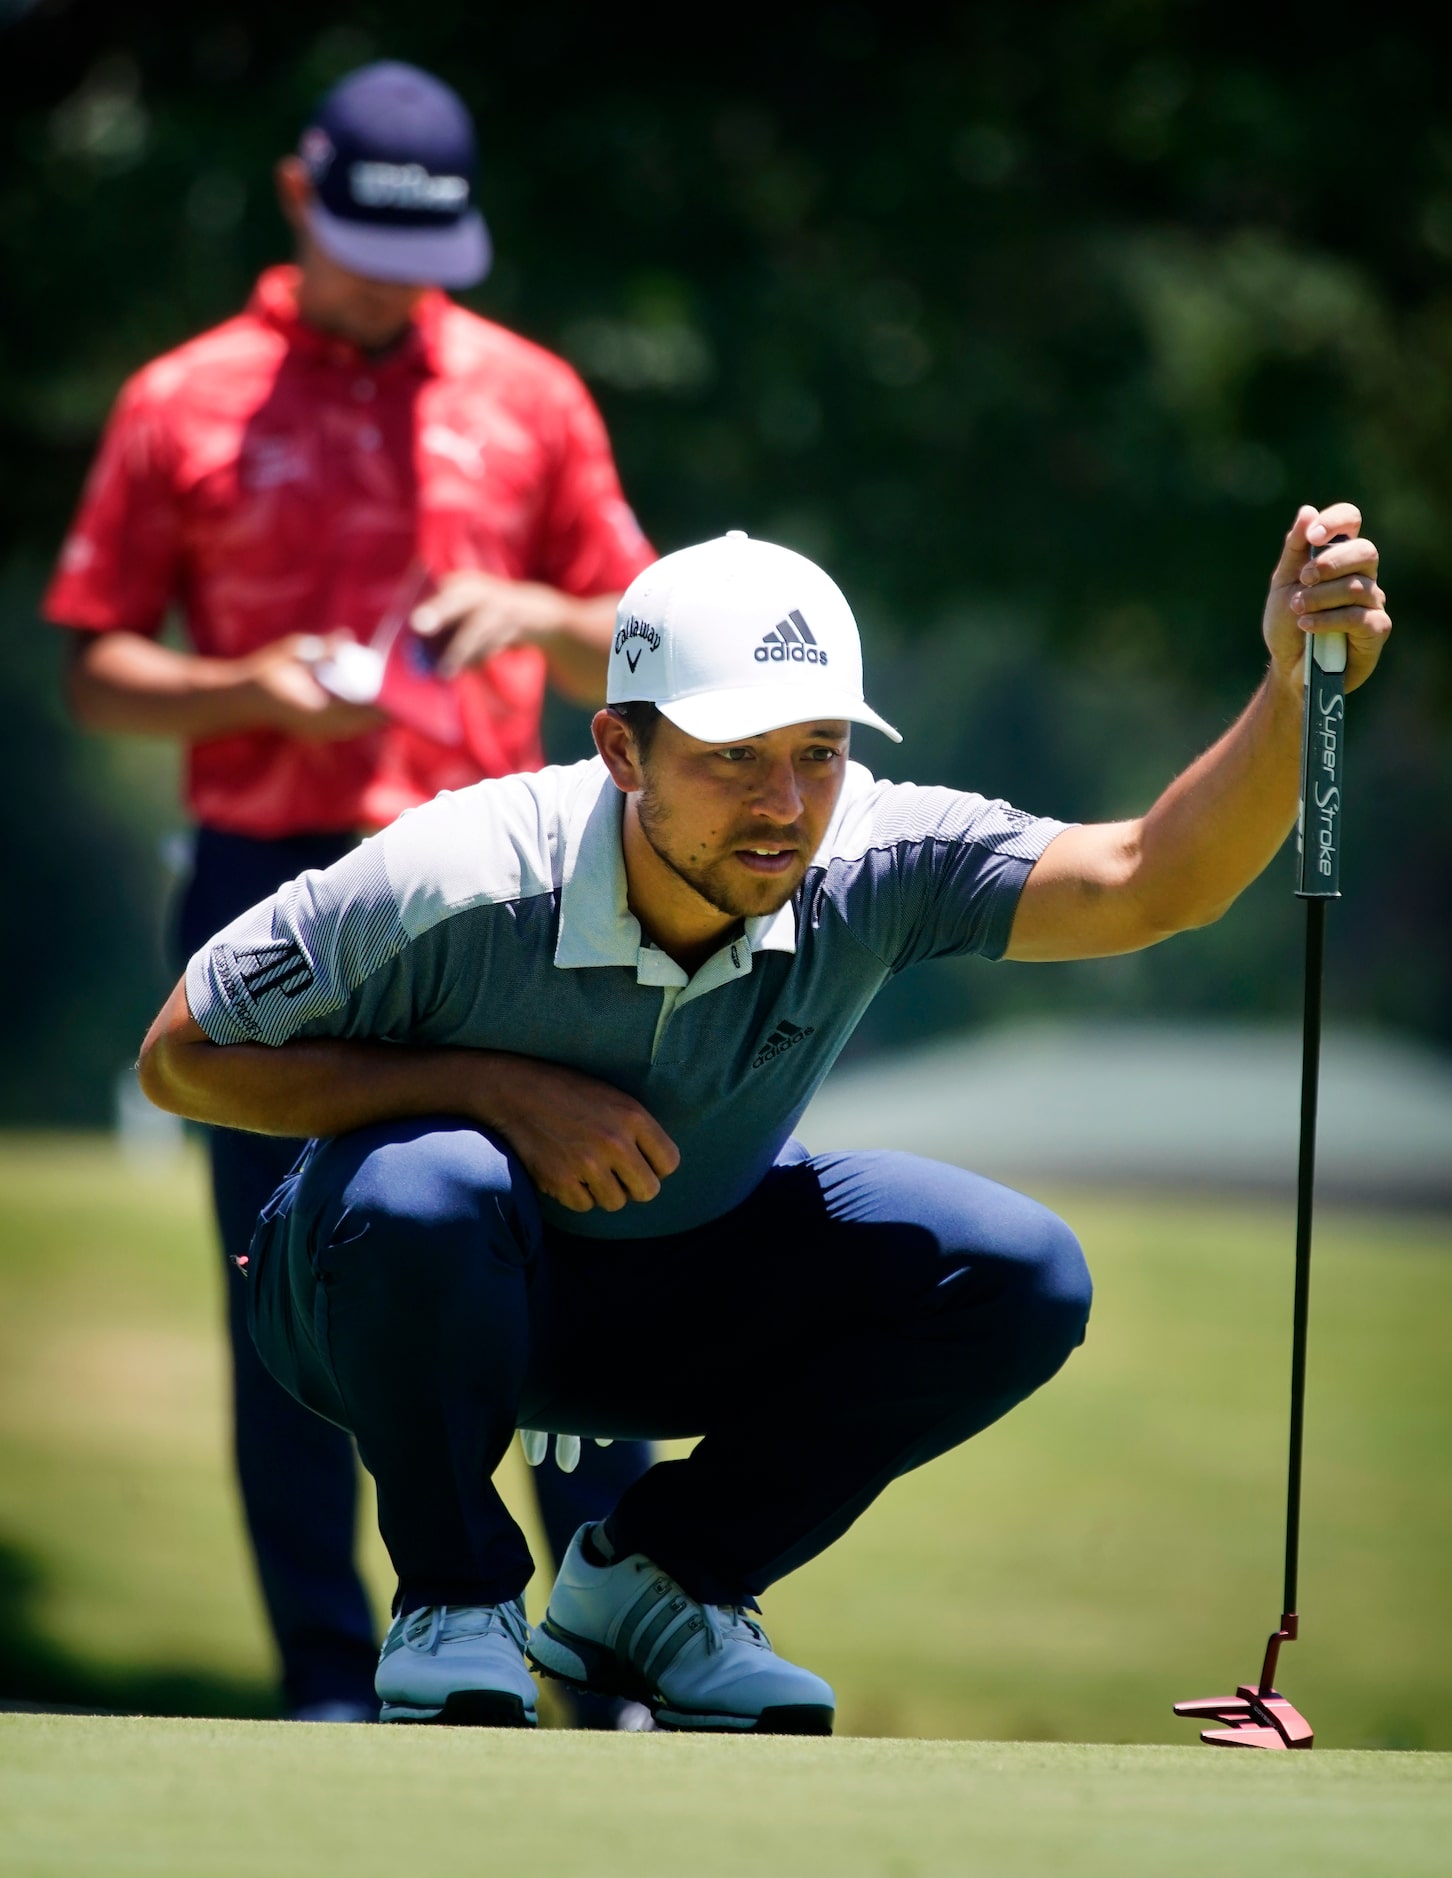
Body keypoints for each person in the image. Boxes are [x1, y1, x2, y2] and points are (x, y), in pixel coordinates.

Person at [136, 511, 1390, 1732]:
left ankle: (662, 1581)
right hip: (373, 1295)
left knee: (1017, 1272)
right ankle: (454, 1602)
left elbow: (1147, 883)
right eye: (733, 755)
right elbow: (184, 1055)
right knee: (433, 1185)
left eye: (819, 751)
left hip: (662, 1290)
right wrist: (486, 1088)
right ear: (622, 751)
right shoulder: (455, 870)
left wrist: (1292, 691)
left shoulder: (875, 855)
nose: (785, 804)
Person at [45, 60, 657, 1724]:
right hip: (270, 880)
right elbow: (95, 663)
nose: (402, 283)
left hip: (505, 882)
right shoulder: (182, 398)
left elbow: (654, 641)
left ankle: (615, 1659)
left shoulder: (533, 398)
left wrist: (533, 607)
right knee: (291, 1281)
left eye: (432, 251)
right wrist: (246, 685)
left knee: (570, 1243)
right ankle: (331, 1670)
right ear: (299, 201)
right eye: (371, 242)